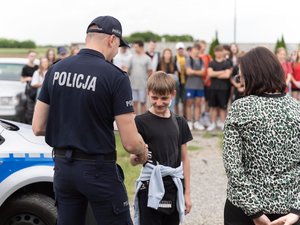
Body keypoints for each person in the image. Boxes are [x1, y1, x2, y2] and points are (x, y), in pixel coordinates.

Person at [32, 15, 148, 225]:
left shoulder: (55, 70)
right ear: (112, 40)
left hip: (63, 169)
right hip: (97, 170)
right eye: (118, 46)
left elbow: (38, 126)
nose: (117, 52)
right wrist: (143, 151)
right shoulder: (115, 77)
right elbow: (130, 143)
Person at [223, 47, 300, 225]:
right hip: (289, 211)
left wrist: (255, 212)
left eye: (241, 76)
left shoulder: (240, 108)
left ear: (252, 75)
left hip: (243, 210)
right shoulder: (297, 108)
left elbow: (233, 166)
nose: (239, 80)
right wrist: (297, 210)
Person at [131, 71, 193, 225]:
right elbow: (133, 160)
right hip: (150, 185)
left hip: (173, 185)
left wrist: (187, 193)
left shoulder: (180, 122)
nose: (159, 102)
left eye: (164, 98)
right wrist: (136, 158)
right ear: (148, 94)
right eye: (154, 97)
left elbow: (185, 159)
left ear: (172, 94)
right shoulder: (140, 122)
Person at [207, 45, 232, 131]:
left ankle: (222, 123)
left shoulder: (227, 63)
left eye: (220, 51)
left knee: (223, 107)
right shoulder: (212, 63)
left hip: (223, 88)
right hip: (213, 88)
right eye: (217, 51)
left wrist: (215, 73)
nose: (219, 53)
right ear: (214, 53)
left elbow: (227, 75)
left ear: (223, 52)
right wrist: (222, 72)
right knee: (213, 107)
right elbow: (210, 74)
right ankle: (213, 123)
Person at [128, 40, 152, 114]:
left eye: (136, 47)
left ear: (141, 47)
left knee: (142, 103)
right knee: (134, 103)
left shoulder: (147, 58)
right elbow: (129, 70)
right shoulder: (131, 57)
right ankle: (134, 120)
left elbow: (150, 71)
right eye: (134, 47)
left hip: (143, 85)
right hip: (133, 85)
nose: (135, 49)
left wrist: (147, 82)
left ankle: (142, 120)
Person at [185, 43, 205, 131]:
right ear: (192, 49)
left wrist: (193, 72)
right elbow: (188, 72)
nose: (197, 51)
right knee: (189, 104)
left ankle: (196, 122)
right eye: (195, 49)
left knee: (198, 104)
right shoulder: (188, 59)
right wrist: (198, 72)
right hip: (190, 85)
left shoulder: (201, 60)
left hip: (200, 86)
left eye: (198, 49)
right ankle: (189, 122)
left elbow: (203, 72)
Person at [20, 50, 39, 124]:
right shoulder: (25, 67)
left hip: (37, 89)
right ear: (28, 56)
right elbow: (22, 80)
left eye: (34, 56)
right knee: (30, 109)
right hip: (29, 90)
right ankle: (29, 123)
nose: (33, 58)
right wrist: (28, 78)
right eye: (31, 56)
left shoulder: (37, 67)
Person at [174, 42, 187, 116]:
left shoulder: (186, 58)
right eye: (179, 49)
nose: (180, 51)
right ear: (177, 50)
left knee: (184, 101)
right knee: (176, 101)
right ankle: (177, 116)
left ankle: (184, 116)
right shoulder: (174, 58)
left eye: (181, 49)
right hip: (177, 82)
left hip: (185, 82)